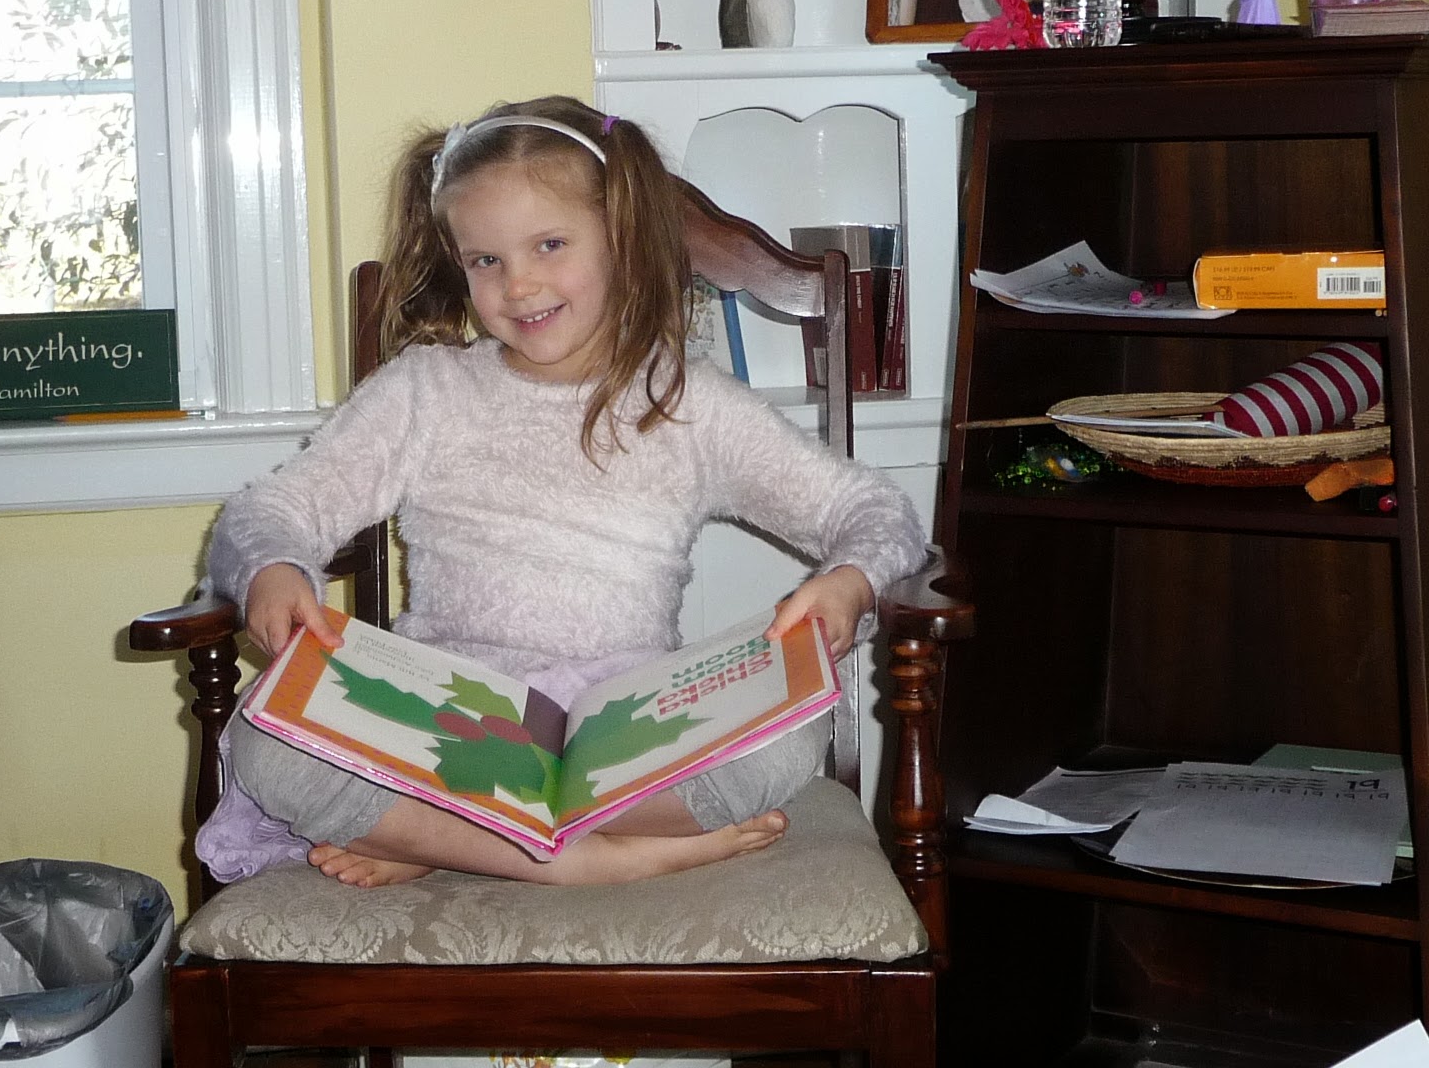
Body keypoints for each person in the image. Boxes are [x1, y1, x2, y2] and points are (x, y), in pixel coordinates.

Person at [199, 96, 927, 890]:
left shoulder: (688, 402)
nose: (519, 285)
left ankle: (442, 841)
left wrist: (849, 582)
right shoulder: (424, 391)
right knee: (269, 738)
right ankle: (581, 862)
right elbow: (272, 510)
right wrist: (274, 567)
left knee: (791, 731)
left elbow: (874, 513)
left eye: (549, 244)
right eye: (486, 261)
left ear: (621, 237)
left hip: (625, 731)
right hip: (447, 723)